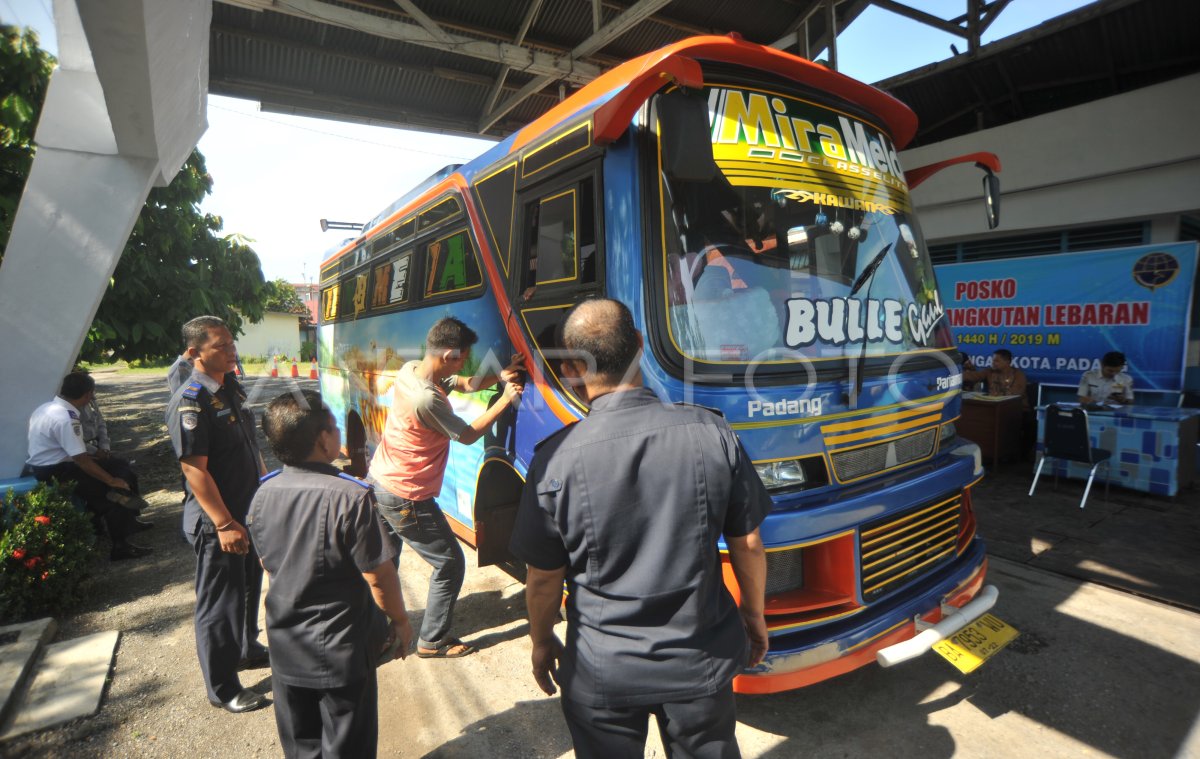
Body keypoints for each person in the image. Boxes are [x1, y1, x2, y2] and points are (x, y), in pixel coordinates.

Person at [510, 299, 770, 759]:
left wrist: (541, 640)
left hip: (601, 669)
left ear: (571, 368)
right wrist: (754, 614)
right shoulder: (711, 433)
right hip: (700, 661)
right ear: (641, 346)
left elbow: (543, 578)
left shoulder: (554, 460)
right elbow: (747, 544)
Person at [248, 390, 414, 758]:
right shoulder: (351, 496)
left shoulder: (262, 494)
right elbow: (378, 576)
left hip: (286, 644)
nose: (339, 433)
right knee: (348, 746)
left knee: (302, 746)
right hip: (340, 650)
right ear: (323, 440)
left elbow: (267, 563)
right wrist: (400, 621)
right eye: (336, 427)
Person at [365, 317, 523, 659]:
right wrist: (505, 399)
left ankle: (378, 632)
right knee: (449, 563)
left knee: (385, 563)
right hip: (406, 494)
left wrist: (501, 375)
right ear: (448, 354)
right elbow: (467, 435)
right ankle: (432, 640)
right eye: (462, 356)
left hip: (381, 480)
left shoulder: (413, 370)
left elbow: (463, 383)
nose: (464, 362)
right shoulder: (426, 399)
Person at [166, 315, 270, 714]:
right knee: (219, 605)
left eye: (232, 344)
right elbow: (194, 469)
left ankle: (246, 648)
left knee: (247, 586)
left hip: (245, 510)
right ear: (194, 353)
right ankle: (223, 687)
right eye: (221, 346)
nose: (232, 352)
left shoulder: (228, 387)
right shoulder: (190, 400)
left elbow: (249, 446)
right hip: (218, 522)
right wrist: (224, 523)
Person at [24, 372, 153, 561]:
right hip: (57, 470)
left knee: (121, 467)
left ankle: (130, 521)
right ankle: (120, 547)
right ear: (87, 395)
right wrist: (111, 480)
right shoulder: (66, 418)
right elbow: (82, 460)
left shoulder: (47, 408)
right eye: (92, 393)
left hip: (51, 464)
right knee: (114, 495)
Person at [963, 349, 1028, 406]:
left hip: (1014, 408)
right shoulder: (989, 371)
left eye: (996, 361)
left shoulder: (1018, 374)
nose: (993, 363)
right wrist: (957, 376)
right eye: (993, 360)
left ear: (1007, 362)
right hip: (992, 405)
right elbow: (973, 376)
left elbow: (1016, 393)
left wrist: (996, 395)